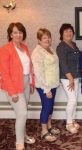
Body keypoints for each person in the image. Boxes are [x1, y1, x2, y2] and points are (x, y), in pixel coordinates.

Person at [0, 22, 35, 150]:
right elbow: (4, 73)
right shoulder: (5, 49)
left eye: (20, 32)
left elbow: (28, 67)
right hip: (14, 85)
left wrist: (31, 82)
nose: (18, 35)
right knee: (22, 113)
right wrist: (12, 92)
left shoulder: (24, 47)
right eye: (15, 32)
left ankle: (24, 135)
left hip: (26, 82)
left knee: (23, 113)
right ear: (10, 34)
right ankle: (19, 143)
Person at [31, 28, 60, 142]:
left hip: (52, 83)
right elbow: (38, 72)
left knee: (51, 106)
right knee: (46, 107)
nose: (47, 39)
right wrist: (46, 89)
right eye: (44, 37)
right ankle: (44, 131)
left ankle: (49, 126)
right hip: (44, 85)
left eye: (48, 37)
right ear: (39, 40)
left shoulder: (50, 49)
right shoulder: (37, 52)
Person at [56, 24, 81, 134]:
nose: (68, 33)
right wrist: (70, 78)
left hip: (76, 76)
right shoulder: (61, 47)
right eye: (66, 31)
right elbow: (63, 64)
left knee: (75, 100)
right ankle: (69, 123)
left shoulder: (74, 45)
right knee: (72, 100)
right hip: (67, 78)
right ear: (61, 34)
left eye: (70, 31)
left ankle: (73, 119)